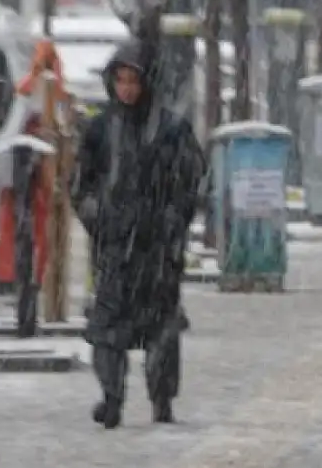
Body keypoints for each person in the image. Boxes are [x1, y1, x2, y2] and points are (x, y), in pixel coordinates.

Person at [71, 40, 204, 430]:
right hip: (115, 249)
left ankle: (162, 400)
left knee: (161, 328)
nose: (127, 88)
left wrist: (170, 221)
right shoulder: (100, 129)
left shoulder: (171, 129)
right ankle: (111, 399)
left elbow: (190, 181)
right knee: (108, 329)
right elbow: (81, 184)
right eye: (121, 80)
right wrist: (101, 218)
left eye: (134, 80)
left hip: (158, 250)